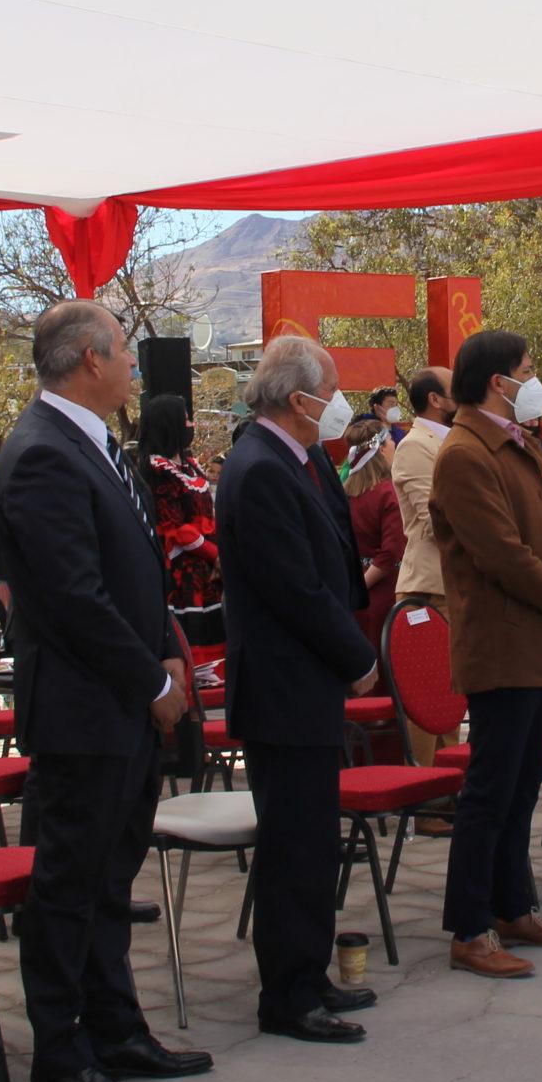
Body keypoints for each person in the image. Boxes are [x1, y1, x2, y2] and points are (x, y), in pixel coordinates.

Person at [0, 301, 210, 1082]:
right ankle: (62, 1051)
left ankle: (117, 1028)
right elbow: (72, 597)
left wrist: (171, 644)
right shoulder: (42, 452)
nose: (134, 367)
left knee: (112, 878)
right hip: (88, 708)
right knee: (69, 885)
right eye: (123, 351)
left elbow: (132, 570)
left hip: (123, 698)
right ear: (88, 359)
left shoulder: (95, 443)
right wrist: (150, 685)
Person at [216, 338, 386, 1043]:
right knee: (293, 845)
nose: (341, 401)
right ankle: (287, 995)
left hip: (308, 685)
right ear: (298, 399)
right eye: (333, 389)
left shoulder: (305, 455)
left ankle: (310, 971)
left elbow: (335, 553)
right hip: (284, 688)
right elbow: (294, 586)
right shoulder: (256, 468)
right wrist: (358, 655)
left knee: (315, 839)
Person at [431, 329, 542, 979]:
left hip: (539, 639)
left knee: (522, 784)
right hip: (503, 643)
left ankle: (513, 905)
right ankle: (470, 927)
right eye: (526, 370)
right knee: (490, 790)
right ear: (497, 382)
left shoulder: (520, 443)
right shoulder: (466, 454)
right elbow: (503, 555)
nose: (535, 379)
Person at [388, 366, 460, 779]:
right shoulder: (416, 446)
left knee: (452, 699)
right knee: (429, 700)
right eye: (454, 389)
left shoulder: (453, 442)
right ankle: (428, 795)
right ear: (435, 399)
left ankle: (449, 789)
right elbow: (435, 521)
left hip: (456, 585)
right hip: (429, 587)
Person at [135, 393, 225, 660]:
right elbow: (175, 528)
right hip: (183, 568)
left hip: (209, 563)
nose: (190, 425)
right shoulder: (157, 471)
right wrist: (213, 553)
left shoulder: (189, 465)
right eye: (185, 419)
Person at [341, 417, 404, 653]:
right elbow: (390, 553)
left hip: (353, 595)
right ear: (381, 449)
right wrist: (363, 586)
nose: (394, 444)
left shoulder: (345, 493)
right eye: (389, 439)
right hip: (383, 596)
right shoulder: (388, 493)